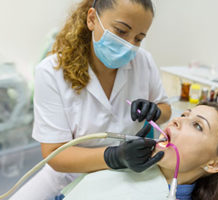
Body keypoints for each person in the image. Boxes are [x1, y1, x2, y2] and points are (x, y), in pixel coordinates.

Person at [10, 0, 171, 199]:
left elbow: (165, 108)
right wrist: (114, 156)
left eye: (138, 38)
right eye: (121, 31)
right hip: (69, 175)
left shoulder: (143, 61)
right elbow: (55, 153)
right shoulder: (51, 72)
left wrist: (155, 110)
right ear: (92, 19)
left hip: (126, 174)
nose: (129, 45)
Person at [59, 103, 218, 200]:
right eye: (184, 114)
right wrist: (116, 157)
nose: (177, 119)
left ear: (214, 164)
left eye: (197, 125)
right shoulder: (138, 165)